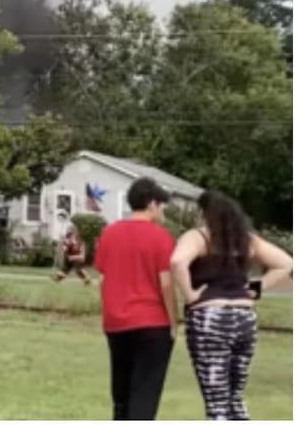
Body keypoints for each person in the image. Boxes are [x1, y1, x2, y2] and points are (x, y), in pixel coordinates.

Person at [170, 190, 293, 421]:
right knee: (235, 398)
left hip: (210, 318)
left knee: (216, 401)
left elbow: (177, 261)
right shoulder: (246, 239)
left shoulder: (199, 237)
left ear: (205, 213)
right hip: (244, 317)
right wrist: (255, 288)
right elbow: (286, 263)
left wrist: (190, 295)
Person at [94, 177, 178, 420]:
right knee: (145, 393)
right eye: (162, 205)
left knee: (121, 395)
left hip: (117, 323)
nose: (163, 211)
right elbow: (166, 283)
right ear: (151, 203)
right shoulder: (161, 237)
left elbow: (103, 277)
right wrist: (174, 322)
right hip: (152, 323)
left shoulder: (109, 233)